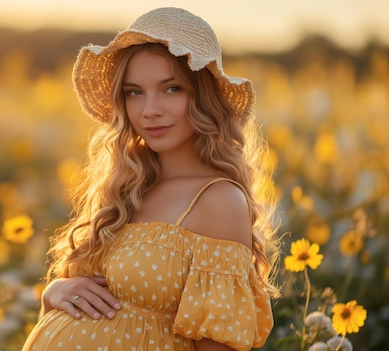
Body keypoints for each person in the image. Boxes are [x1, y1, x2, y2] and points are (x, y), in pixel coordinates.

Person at [22, 7, 281, 351]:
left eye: (171, 89)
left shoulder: (218, 201)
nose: (150, 110)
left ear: (202, 97)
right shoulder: (124, 189)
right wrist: (53, 294)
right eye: (134, 92)